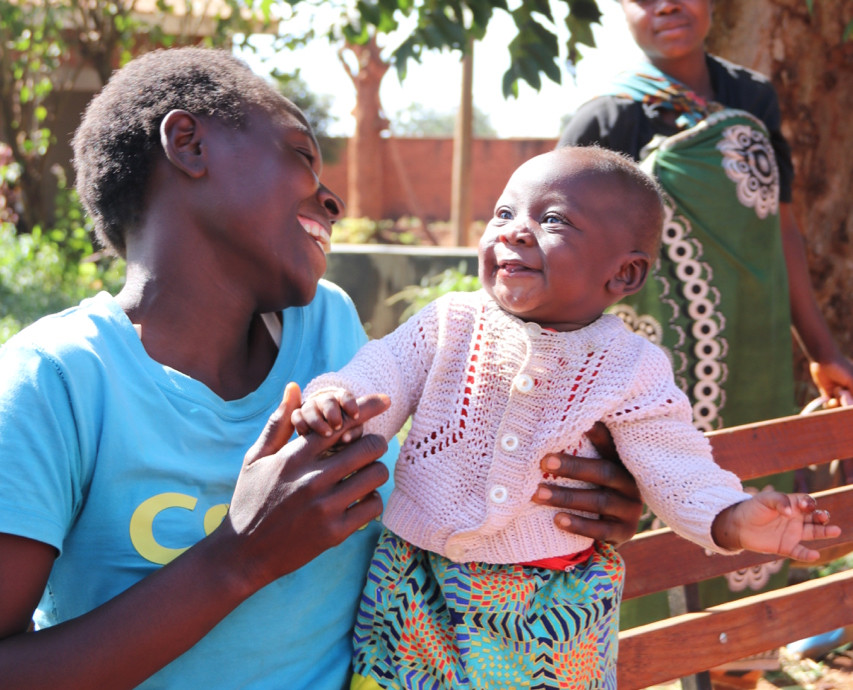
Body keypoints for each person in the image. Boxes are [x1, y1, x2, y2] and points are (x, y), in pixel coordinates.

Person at [0, 48, 647, 688]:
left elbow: (444, 488)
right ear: (188, 144)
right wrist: (239, 557)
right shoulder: (57, 381)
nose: (330, 198)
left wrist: (573, 500)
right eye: (301, 156)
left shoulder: (326, 329)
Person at [292, 145, 840, 690]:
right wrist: (337, 402)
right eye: (503, 213)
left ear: (624, 274)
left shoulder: (631, 367)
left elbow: (675, 465)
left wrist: (735, 517)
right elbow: (380, 373)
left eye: (551, 219)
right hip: (415, 579)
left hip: (552, 604)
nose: (514, 231)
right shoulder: (449, 323)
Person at [558, 0, 853, 625]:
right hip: (647, 372)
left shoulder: (752, 98)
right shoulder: (607, 117)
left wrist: (822, 350)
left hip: (755, 355)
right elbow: (559, 258)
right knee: (663, 513)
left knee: (758, 515)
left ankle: (743, 666)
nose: (668, 4)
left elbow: (783, 230)